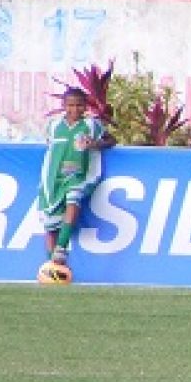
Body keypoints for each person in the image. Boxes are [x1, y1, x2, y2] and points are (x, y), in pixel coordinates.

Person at [38, 86, 114, 275]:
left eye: (79, 105)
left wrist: (96, 144)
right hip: (53, 178)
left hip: (79, 175)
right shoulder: (53, 125)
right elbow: (50, 148)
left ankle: (61, 248)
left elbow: (111, 140)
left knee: (74, 199)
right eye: (70, 105)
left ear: (85, 106)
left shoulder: (91, 125)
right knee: (50, 223)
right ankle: (53, 266)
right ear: (64, 106)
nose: (75, 109)